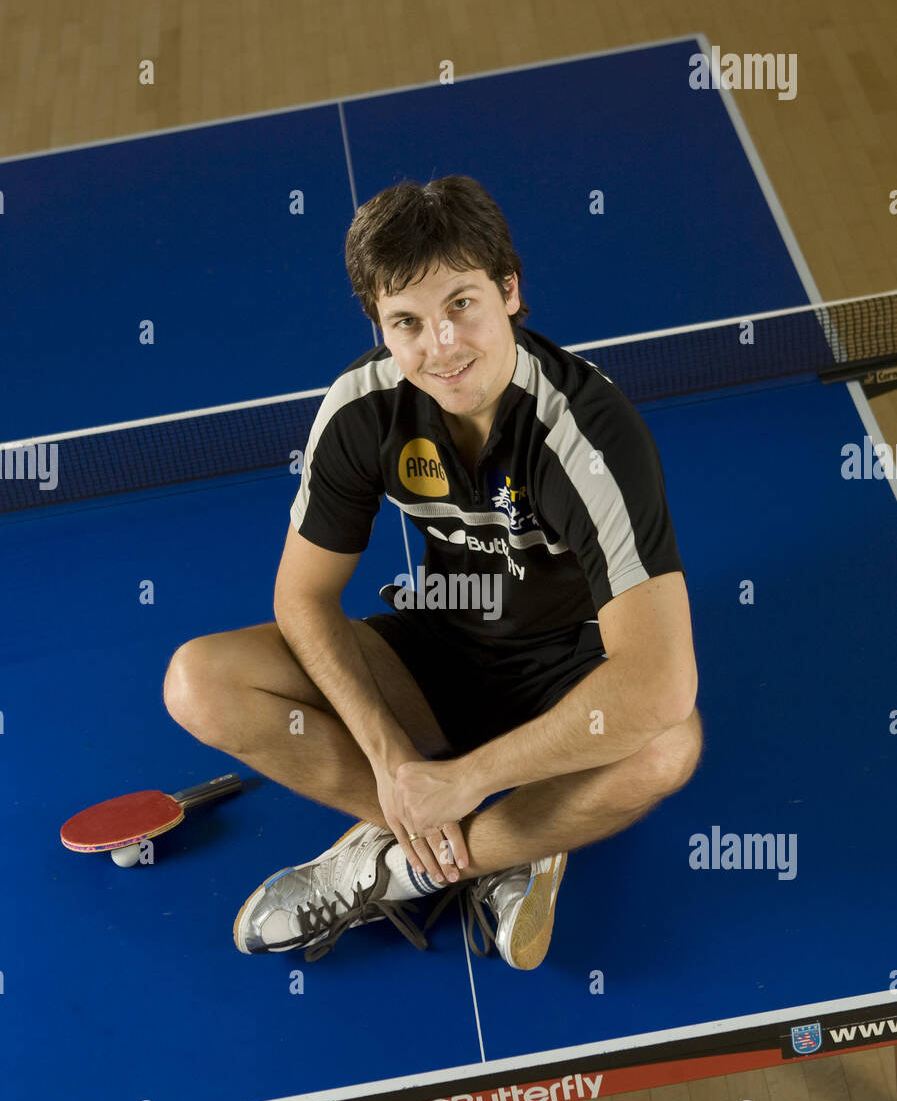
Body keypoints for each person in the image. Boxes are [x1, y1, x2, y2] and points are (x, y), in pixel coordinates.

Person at [163, 175, 703, 971]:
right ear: (379, 328)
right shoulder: (362, 410)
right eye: (406, 322)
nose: (440, 346)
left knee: (665, 748)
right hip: (440, 647)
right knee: (199, 682)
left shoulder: (589, 437)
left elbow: (658, 683)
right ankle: (517, 834)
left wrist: (464, 783)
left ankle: (391, 865)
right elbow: (301, 597)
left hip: (572, 677)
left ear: (510, 290)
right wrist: (392, 765)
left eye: (461, 305)